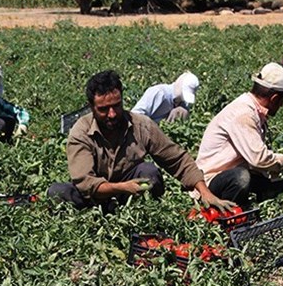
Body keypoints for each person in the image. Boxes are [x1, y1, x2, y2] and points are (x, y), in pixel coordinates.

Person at [47, 69, 236, 214]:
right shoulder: (81, 132)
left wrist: (205, 192)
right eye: (104, 109)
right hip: (94, 196)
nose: (112, 114)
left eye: (116, 106)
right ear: (91, 107)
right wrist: (122, 187)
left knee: (149, 172)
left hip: (130, 194)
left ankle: (143, 215)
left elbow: (177, 159)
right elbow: (86, 183)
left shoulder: (140, 125)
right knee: (57, 192)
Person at [193, 62, 283, 209]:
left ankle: (252, 212)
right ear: (274, 98)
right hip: (210, 184)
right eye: (281, 101)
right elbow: (258, 159)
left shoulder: (252, 110)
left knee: (281, 186)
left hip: (228, 173)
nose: (281, 106)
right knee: (241, 177)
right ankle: (227, 220)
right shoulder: (244, 114)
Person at [130, 72, 200, 124]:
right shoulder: (159, 93)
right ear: (179, 83)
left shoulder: (184, 102)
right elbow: (136, 115)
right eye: (183, 92)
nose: (183, 98)